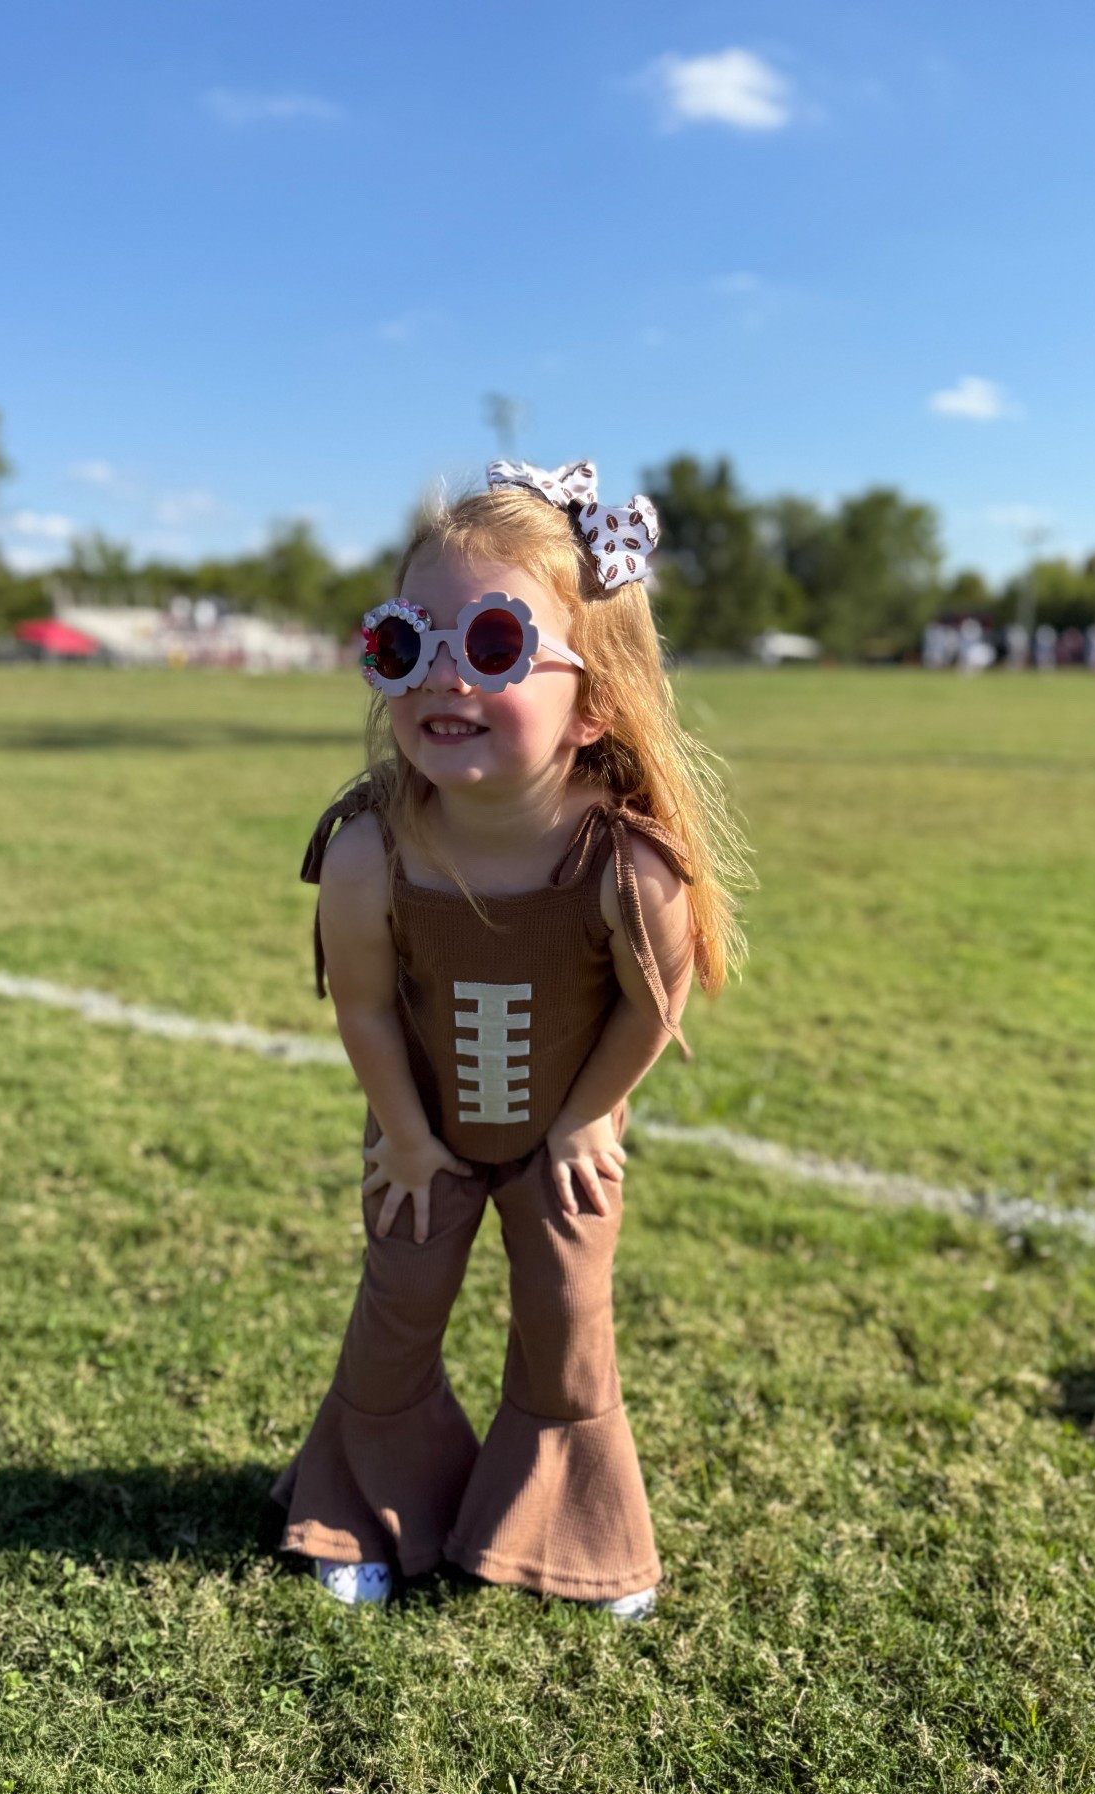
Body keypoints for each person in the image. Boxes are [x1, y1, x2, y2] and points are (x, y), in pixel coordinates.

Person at [271, 458, 747, 1620]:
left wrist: (587, 1116)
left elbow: (651, 1005)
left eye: (490, 645)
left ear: (596, 700)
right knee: (396, 1311)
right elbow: (367, 1006)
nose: (443, 678)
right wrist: (407, 1135)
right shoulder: (368, 850)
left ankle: (568, 1530)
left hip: (562, 1141)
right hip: (422, 1129)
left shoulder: (629, 867)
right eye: (404, 645)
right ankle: (369, 1507)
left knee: (565, 1332)